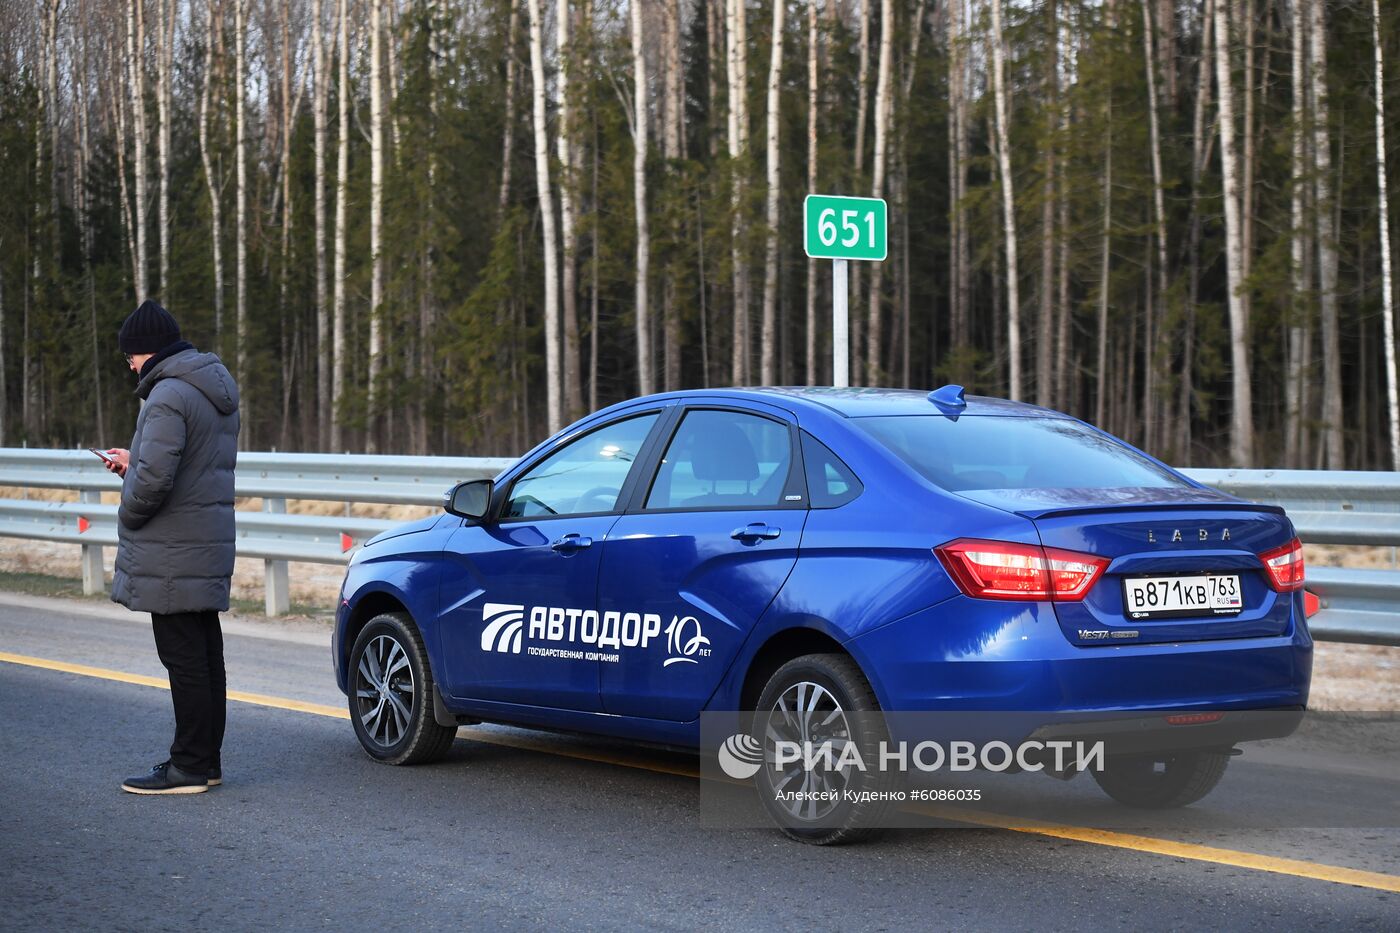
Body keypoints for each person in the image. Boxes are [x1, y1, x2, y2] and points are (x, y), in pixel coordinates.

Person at [102, 300, 241, 795]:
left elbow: (155, 481)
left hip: (172, 550)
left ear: (145, 353)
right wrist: (134, 458)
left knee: (183, 660)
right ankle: (206, 761)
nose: (130, 367)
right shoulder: (211, 389)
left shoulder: (165, 397)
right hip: (204, 543)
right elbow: (185, 463)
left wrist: (129, 510)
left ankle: (187, 767)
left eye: (130, 358)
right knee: (205, 656)